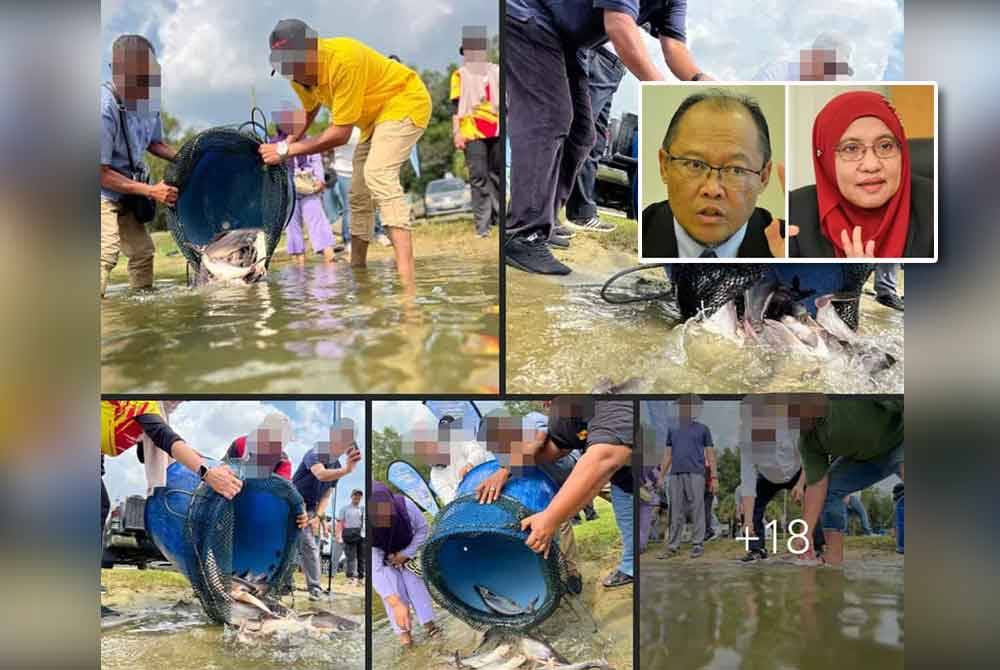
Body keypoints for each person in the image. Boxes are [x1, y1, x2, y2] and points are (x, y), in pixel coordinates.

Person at [505, 0, 713, 275]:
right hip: (529, 17)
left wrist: (700, 80)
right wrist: (661, 92)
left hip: (570, 42)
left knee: (582, 134)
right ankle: (522, 234)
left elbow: (673, 45)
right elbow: (619, 24)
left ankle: (544, 220)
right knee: (549, 117)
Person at [260, 19, 431, 286]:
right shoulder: (296, 75)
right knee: (359, 194)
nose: (293, 73)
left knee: (378, 173)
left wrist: (286, 150)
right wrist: (290, 138)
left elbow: (339, 134)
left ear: (312, 49)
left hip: (405, 102)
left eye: (295, 63)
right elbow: (310, 108)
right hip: (373, 120)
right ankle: (358, 271)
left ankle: (407, 282)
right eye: (285, 66)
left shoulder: (343, 60)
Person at [479, 399, 634, 586]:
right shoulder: (502, 452)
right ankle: (573, 572)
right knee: (564, 521)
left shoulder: (533, 421)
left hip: (586, 471)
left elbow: (541, 441)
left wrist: (506, 469)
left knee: (629, 495)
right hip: (557, 489)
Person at [790, 91, 934, 258]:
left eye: (885, 146)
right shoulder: (794, 214)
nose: (871, 165)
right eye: (851, 148)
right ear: (826, 160)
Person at [642, 89, 783, 259]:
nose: (712, 189)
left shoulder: (786, 246)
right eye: (695, 165)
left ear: (763, 177)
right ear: (664, 166)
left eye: (736, 170)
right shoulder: (641, 233)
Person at [100, 400, 243, 555]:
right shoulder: (142, 401)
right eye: (176, 398)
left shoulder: (147, 416)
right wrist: (207, 473)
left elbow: (150, 450)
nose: (178, 403)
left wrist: (209, 463)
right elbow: (163, 436)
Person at [100, 34, 179, 297]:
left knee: (143, 254)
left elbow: (154, 143)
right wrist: (150, 191)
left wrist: (187, 158)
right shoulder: (103, 107)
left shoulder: (150, 99)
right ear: (117, 72)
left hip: (126, 187)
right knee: (104, 253)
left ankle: (140, 316)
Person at [795, 396, 903, 566]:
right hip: (866, 460)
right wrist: (805, 532)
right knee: (830, 490)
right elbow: (817, 484)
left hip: (900, 441)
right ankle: (833, 561)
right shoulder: (808, 441)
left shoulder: (845, 398)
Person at [736, 395, 823, 562]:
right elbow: (747, 480)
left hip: (796, 472)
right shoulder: (746, 438)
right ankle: (756, 549)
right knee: (749, 508)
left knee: (814, 498)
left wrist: (800, 484)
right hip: (767, 477)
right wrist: (747, 521)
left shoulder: (791, 427)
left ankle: (818, 547)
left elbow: (808, 459)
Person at [291, 418, 362, 600]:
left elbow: (327, 495)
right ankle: (293, 584)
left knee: (310, 545)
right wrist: (347, 470)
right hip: (293, 502)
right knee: (297, 544)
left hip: (313, 508)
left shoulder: (338, 466)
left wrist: (318, 516)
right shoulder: (316, 452)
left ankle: (314, 588)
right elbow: (321, 474)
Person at [563, 46, 625, 236]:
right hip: (600, 56)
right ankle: (541, 214)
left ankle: (582, 212)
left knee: (594, 143)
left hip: (615, 67)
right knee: (576, 135)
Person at [372, 481, 440, 646]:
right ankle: (405, 638)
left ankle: (431, 627)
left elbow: (423, 529)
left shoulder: (406, 505)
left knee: (416, 587)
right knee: (394, 593)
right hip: (384, 559)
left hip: (409, 551)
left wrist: (405, 554)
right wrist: (395, 602)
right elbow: (376, 569)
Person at [271, 105, 338, 265]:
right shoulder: (273, 144)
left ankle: (330, 257)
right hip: (287, 190)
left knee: (317, 219)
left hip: (309, 186)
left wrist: (320, 180)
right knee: (291, 225)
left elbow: (316, 160)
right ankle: (299, 263)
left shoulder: (307, 140)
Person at [451, 38, 501, 238]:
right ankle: (483, 227)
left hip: (497, 128)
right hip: (472, 131)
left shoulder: (496, 71)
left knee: (497, 175)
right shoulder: (459, 76)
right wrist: (457, 132)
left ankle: (500, 220)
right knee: (479, 177)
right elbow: (455, 107)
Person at [656, 395, 717, 559]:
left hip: (697, 474)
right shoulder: (672, 429)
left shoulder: (703, 429)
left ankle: (697, 544)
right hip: (675, 474)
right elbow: (668, 455)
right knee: (675, 511)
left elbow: (710, 455)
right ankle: (673, 547)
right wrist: (661, 476)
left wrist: (714, 478)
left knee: (697, 508)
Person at [336, 489, 365, 584]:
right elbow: (340, 523)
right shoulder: (344, 508)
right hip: (349, 533)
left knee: (362, 557)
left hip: (361, 534)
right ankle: (350, 577)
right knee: (351, 557)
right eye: (355, 495)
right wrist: (339, 536)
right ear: (351, 496)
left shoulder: (363, 509)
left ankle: (361, 577)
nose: (357, 497)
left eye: (359, 495)